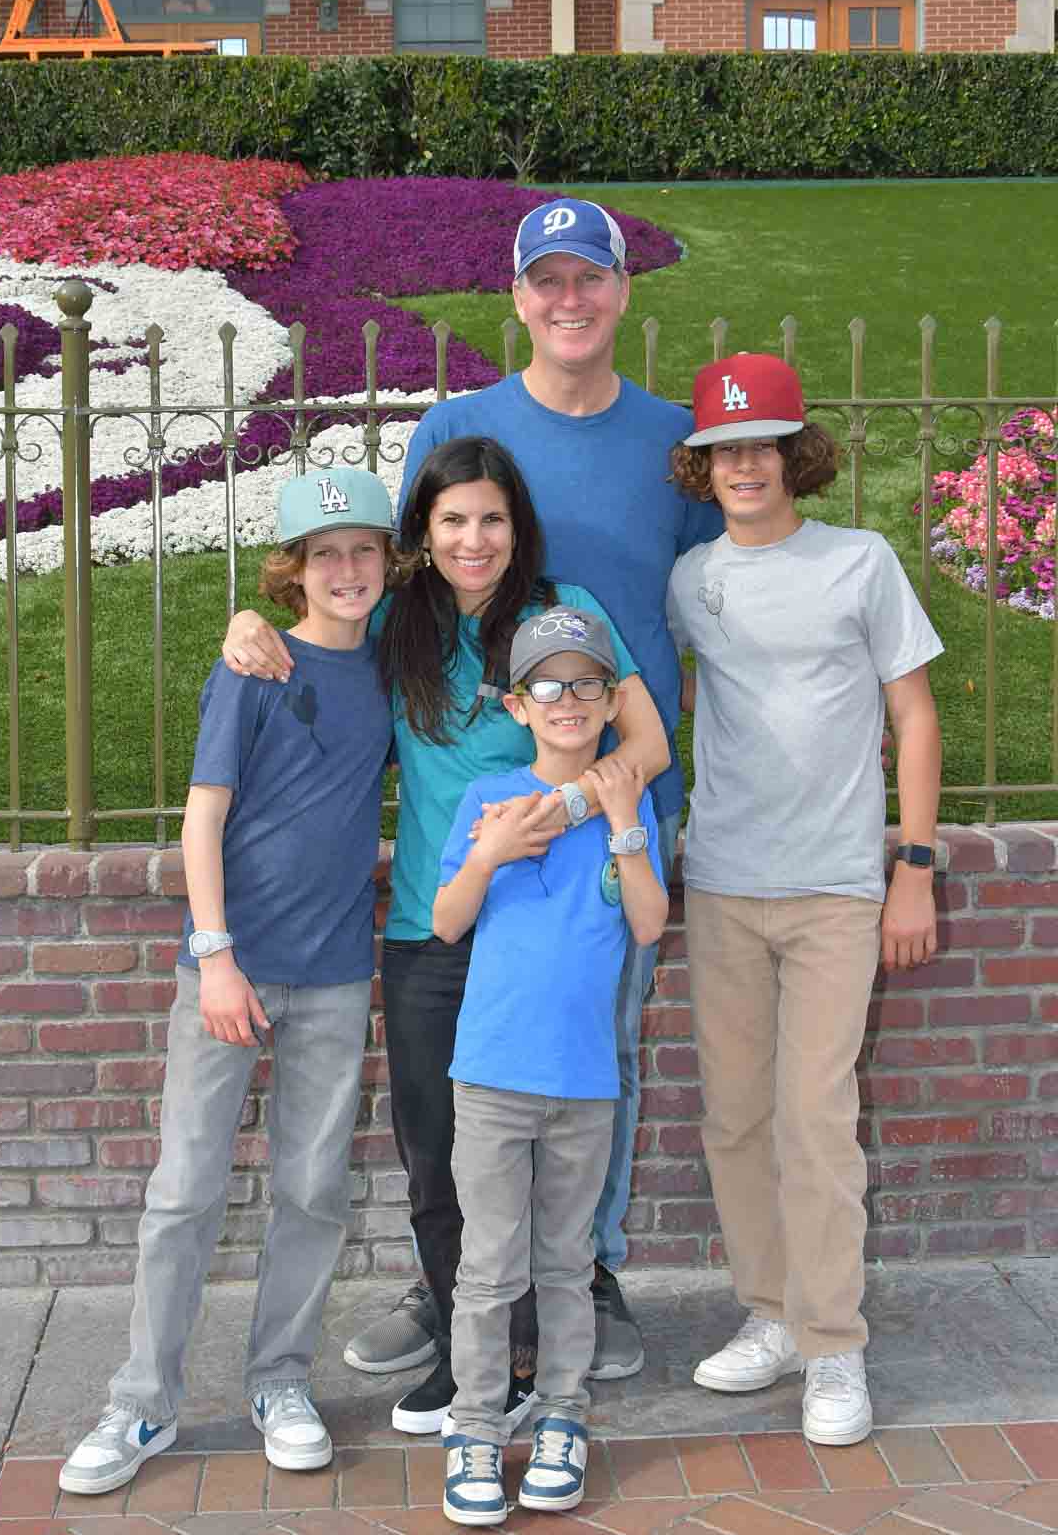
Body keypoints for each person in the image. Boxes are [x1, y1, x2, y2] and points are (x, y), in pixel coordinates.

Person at [343, 197, 724, 1381]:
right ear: (515, 297)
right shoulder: (460, 426)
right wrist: (263, 628)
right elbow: (393, 583)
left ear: (621, 291)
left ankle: (587, 1275)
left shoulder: (672, 442)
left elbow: (721, 589)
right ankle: (449, 1285)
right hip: (479, 826)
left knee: (589, 1055)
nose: (570, 300)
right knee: (461, 1075)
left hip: (609, 809)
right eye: (546, 280)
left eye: (590, 278)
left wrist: (603, 796)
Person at [222, 433, 670, 1435]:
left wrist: (560, 816)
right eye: (453, 520)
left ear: (520, 527)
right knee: (435, 1147)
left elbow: (645, 740)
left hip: (533, 925)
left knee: (543, 1145)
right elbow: (309, 632)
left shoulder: (565, 616)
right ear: (424, 530)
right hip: (433, 923)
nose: (475, 540)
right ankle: (472, 1349)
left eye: (493, 519)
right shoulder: (396, 616)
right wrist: (248, 623)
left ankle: (536, 1351)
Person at [59, 465, 400, 1495]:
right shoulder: (252, 667)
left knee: (310, 1188)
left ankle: (279, 1381)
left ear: (389, 561)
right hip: (230, 970)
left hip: (337, 975)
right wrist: (215, 956)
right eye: (325, 553)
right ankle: (141, 1405)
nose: (347, 569)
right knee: (183, 1193)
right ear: (291, 570)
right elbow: (203, 816)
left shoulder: (392, 667)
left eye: (364, 550)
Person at [666, 352, 943, 1447]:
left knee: (818, 1120)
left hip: (836, 886)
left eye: (762, 444)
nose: (744, 464)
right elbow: (677, 697)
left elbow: (913, 716)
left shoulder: (860, 563)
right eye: (724, 447)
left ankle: (835, 1347)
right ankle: (771, 1313)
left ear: (796, 454)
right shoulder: (693, 580)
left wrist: (912, 866)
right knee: (736, 1116)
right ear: (704, 463)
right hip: (725, 880)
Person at [435, 609, 668, 1527]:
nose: (567, 701)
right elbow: (447, 921)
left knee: (566, 1261)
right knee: (489, 1267)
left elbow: (648, 923)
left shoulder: (629, 803)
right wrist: (490, 853)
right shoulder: (489, 799)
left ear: (611, 702)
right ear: (517, 706)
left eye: (585, 686)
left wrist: (623, 823)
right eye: (547, 687)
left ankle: (565, 1413)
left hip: (583, 1085)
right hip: (492, 1076)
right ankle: (476, 1426)